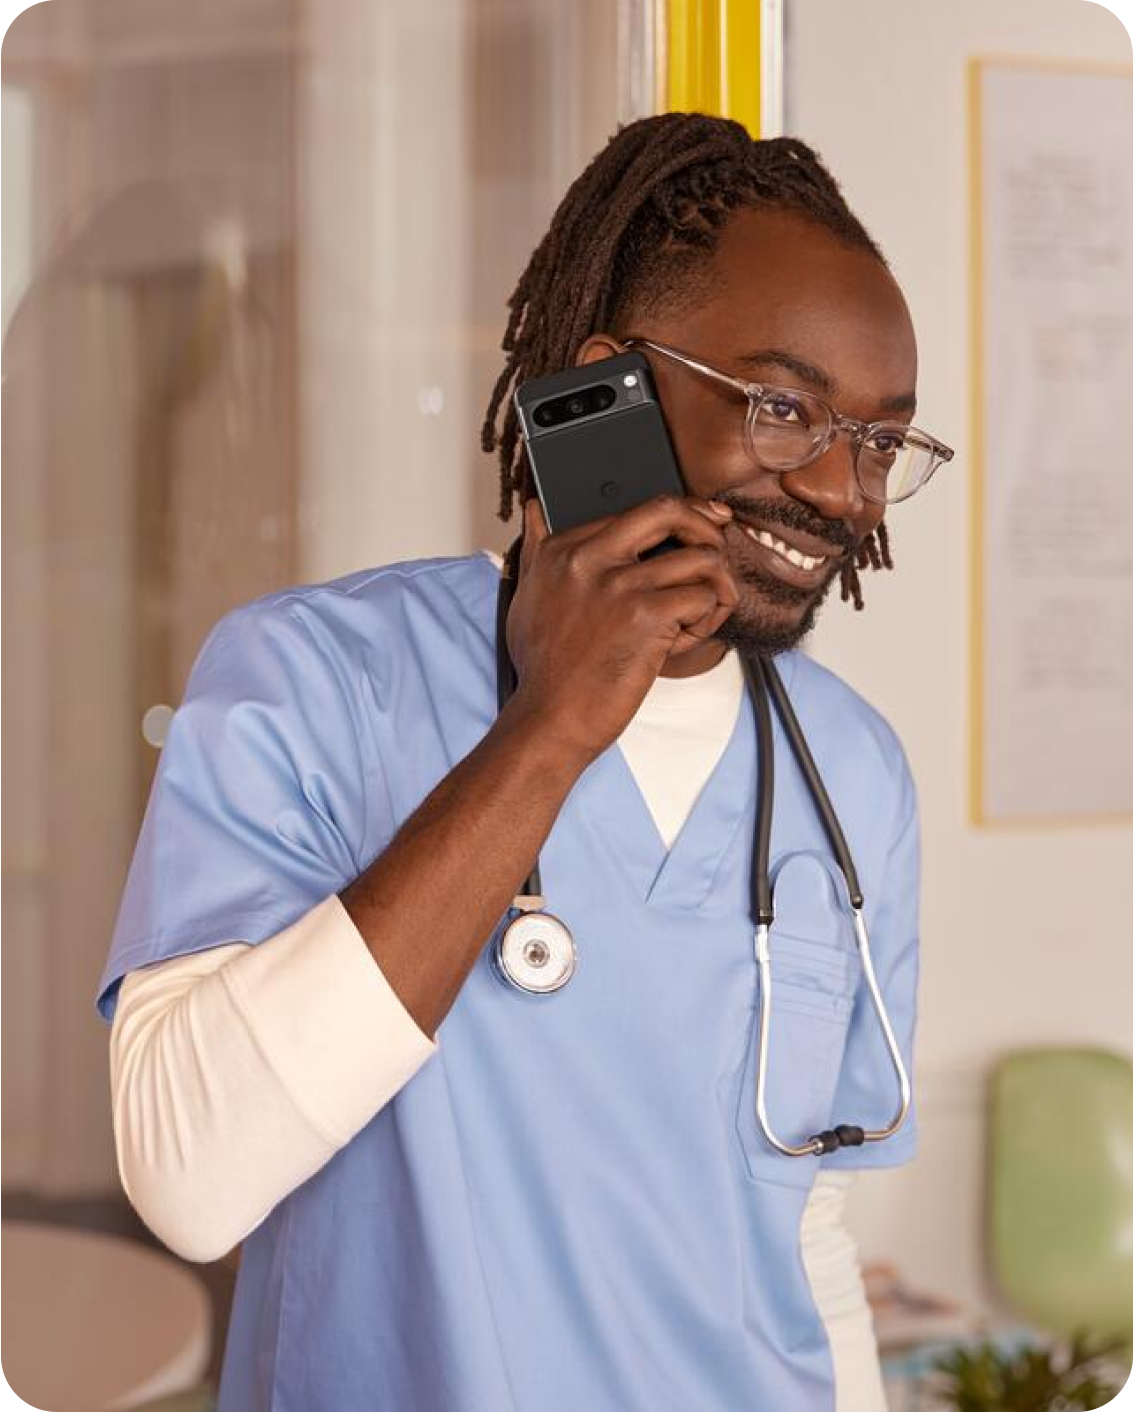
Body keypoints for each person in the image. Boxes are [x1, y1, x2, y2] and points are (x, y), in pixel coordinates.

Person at [97, 114, 941, 1410]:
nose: (843, 491)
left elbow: (807, 1233)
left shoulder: (851, 772)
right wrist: (552, 723)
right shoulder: (312, 680)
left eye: (881, 441)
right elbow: (192, 1181)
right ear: (608, 386)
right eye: (784, 409)